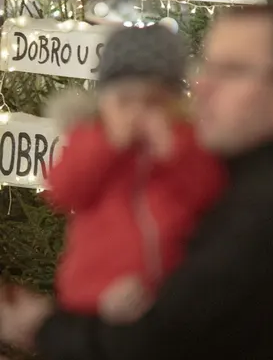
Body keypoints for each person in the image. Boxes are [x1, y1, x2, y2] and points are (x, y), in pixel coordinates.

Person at [0, 2, 273, 360]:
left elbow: (164, 338)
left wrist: (43, 327)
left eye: (230, 70)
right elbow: (63, 187)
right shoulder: (249, 173)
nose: (202, 85)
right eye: (207, 67)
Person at [43, 25, 226, 324]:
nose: (138, 112)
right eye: (124, 101)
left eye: (153, 101)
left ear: (175, 102)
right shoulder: (90, 138)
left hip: (171, 295)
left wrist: (173, 153)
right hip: (95, 292)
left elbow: (209, 195)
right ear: (104, 101)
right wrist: (107, 146)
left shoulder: (188, 142)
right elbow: (62, 191)